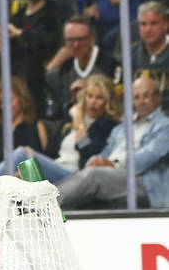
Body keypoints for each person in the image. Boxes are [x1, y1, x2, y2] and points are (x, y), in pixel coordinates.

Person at [56, 74, 169, 209]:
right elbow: (106, 152)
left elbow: (148, 157)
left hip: (142, 179)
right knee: (91, 170)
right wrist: (96, 160)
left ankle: (45, 206)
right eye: (137, 97)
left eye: (146, 96)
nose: (141, 101)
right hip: (114, 175)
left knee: (93, 176)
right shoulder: (122, 127)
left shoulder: (164, 125)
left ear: (158, 97)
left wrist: (113, 164)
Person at [0, 73, 119, 181]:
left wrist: (79, 120)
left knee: (23, 153)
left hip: (77, 176)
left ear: (107, 102)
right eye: (90, 96)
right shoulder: (69, 120)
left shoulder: (108, 125)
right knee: (21, 167)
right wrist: (32, 171)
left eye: (99, 98)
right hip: (57, 168)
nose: (93, 102)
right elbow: (51, 152)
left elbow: (88, 154)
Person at [43, 15, 119, 122]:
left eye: (80, 39)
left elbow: (116, 103)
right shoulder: (65, 69)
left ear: (92, 39)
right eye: (70, 40)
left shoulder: (110, 64)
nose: (75, 44)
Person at [8, 0, 61, 118]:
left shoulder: (52, 13)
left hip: (42, 79)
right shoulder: (17, 16)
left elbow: (51, 40)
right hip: (19, 78)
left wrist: (21, 33)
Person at [128, 0, 169, 113]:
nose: (148, 29)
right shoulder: (130, 54)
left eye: (154, 23)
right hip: (137, 119)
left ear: (166, 25)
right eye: (143, 24)